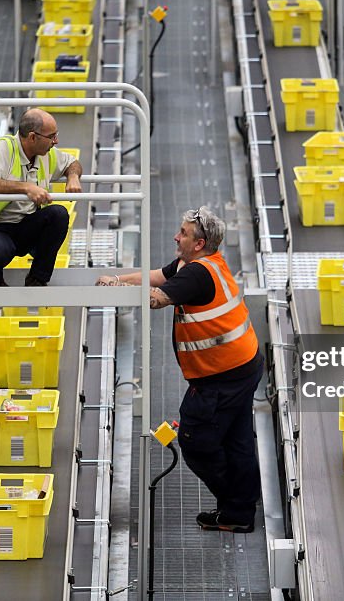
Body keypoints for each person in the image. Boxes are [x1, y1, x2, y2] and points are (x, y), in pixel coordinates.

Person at [96, 207, 264, 533]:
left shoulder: (197, 274)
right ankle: (243, 504)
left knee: (197, 442)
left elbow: (158, 297)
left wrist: (118, 291)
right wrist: (118, 279)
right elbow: (158, 275)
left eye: (183, 233)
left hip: (221, 378)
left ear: (199, 243)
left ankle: (236, 509)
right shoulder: (201, 263)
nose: (176, 236)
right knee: (236, 437)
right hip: (242, 365)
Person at [0, 108, 82, 287]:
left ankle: (37, 279)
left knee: (59, 214)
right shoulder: (3, 149)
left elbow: (73, 163)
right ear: (33, 137)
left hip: (25, 227)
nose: (56, 141)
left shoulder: (46, 154)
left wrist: (73, 177)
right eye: (52, 136)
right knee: (0, 249)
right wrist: (26, 188)